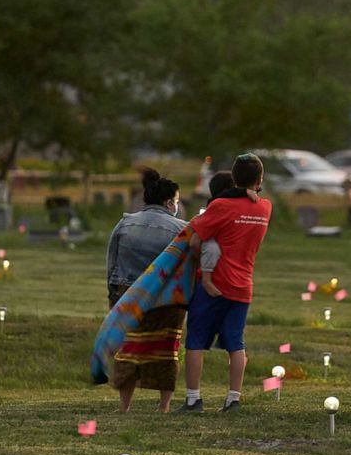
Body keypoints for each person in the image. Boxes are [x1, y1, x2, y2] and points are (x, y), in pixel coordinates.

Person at [177, 154, 271, 413]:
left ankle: (194, 399)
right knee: (235, 343)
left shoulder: (221, 207)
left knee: (196, 341)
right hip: (243, 286)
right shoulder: (265, 208)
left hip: (213, 284)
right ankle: (233, 399)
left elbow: (194, 239)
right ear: (259, 180)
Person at [105, 168, 187, 413]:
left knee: (129, 349)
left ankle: (124, 405)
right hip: (165, 300)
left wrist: (112, 297)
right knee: (166, 350)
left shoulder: (125, 222)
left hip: (127, 294)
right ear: (169, 201)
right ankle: (164, 406)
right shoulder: (181, 228)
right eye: (177, 200)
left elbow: (112, 261)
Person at [200, 171, 258, 297]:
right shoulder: (218, 202)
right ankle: (206, 279)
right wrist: (243, 192)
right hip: (209, 242)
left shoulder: (221, 203)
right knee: (212, 249)